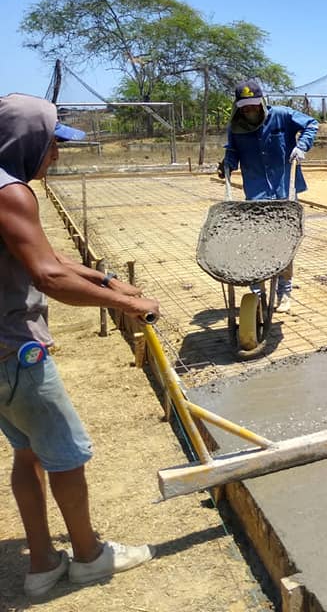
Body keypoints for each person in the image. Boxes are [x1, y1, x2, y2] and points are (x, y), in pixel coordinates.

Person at [0, 93, 161, 596]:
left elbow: (45, 257)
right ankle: (90, 557)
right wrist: (127, 305)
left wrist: (109, 281)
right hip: (16, 354)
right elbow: (48, 276)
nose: (55, 155)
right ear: (27, 141)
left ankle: (42, 563)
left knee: (27, 453)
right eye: (51, 144)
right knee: (66, 456)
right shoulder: (12, 193)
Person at [220, 79, 318, 313]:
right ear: (238, 106)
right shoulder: (236, 127)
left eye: (253, 105)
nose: (250, 109)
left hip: (284, 193)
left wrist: (302, 146)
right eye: (245, 107)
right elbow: (232, 151)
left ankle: (284, 292)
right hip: (256, 196)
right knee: (255, 245)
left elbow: (312, 124)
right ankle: (257, 294)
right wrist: (227, 164)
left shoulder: (282, 115)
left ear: (262, 102)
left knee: (284, 245)